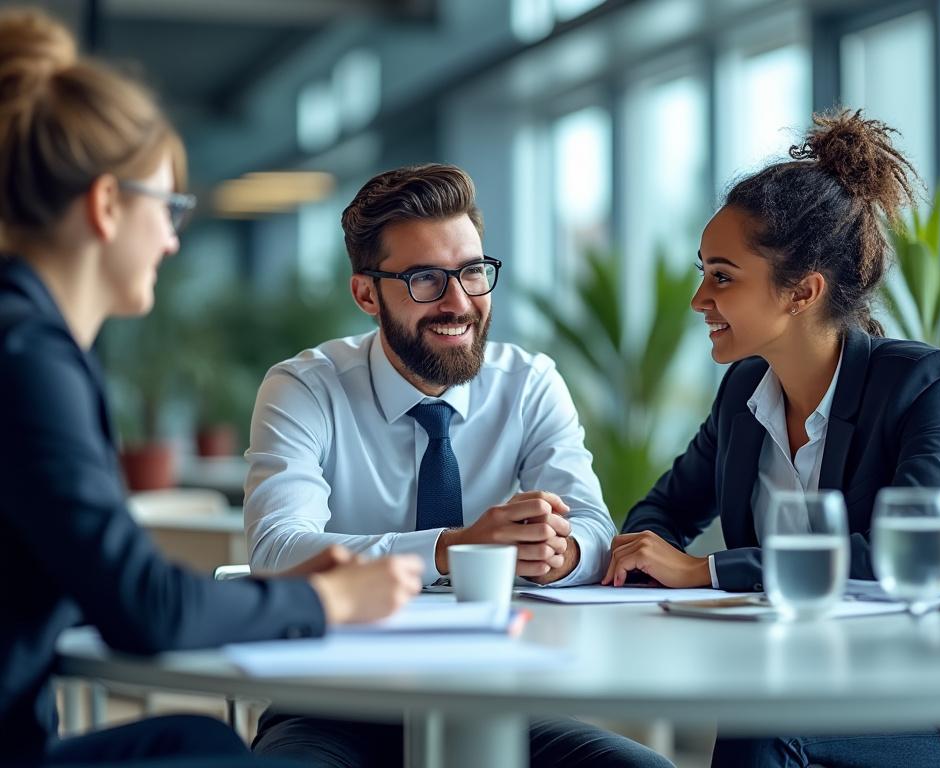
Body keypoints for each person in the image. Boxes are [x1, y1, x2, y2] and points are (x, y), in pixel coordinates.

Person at [0, 9, 423, 765]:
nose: (172, 240)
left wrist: (283, 595)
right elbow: (144, 607)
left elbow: (115, 584)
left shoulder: (27, 342)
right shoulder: (27, 357)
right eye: (167, 208)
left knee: (197, 740)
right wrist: (327, 600)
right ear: (106, 204)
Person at [604, 109, 940, 767]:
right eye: (703, 272)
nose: (699, 299)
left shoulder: (926, 384)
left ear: (802, 291)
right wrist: (645, 554)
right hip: (800, 681)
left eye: (722, 276)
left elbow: (908, 551)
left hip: (933, 705)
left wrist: (706, 571)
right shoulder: (744, 393)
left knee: (762, 725)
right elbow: (663, 512)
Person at [242, 163, 670, 767]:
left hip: (498, 699)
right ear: (366, 294)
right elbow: (278, 552)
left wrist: (561, 552)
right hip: (331, 701)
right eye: (425, 279)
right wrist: (452, 548)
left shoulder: (528, 384)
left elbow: (598, 530)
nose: (459, 302)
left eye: (472, 271)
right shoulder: (305, 388)